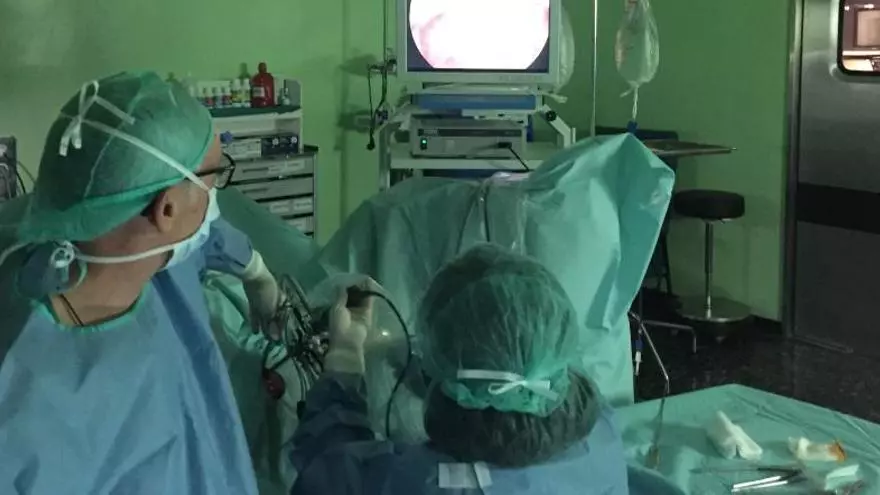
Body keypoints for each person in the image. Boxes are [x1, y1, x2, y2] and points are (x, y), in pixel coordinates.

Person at [0, 72, 284, 494]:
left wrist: (256, 272)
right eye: (213, 180)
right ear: (166, 210)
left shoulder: (125, 242)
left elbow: (212, 236)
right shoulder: (28, 418)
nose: (214, 201)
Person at [289, 243, 630, 494]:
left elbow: (328, 467)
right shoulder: (601, 437)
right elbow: (516, 371)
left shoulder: (405, 483)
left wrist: (346, 355)